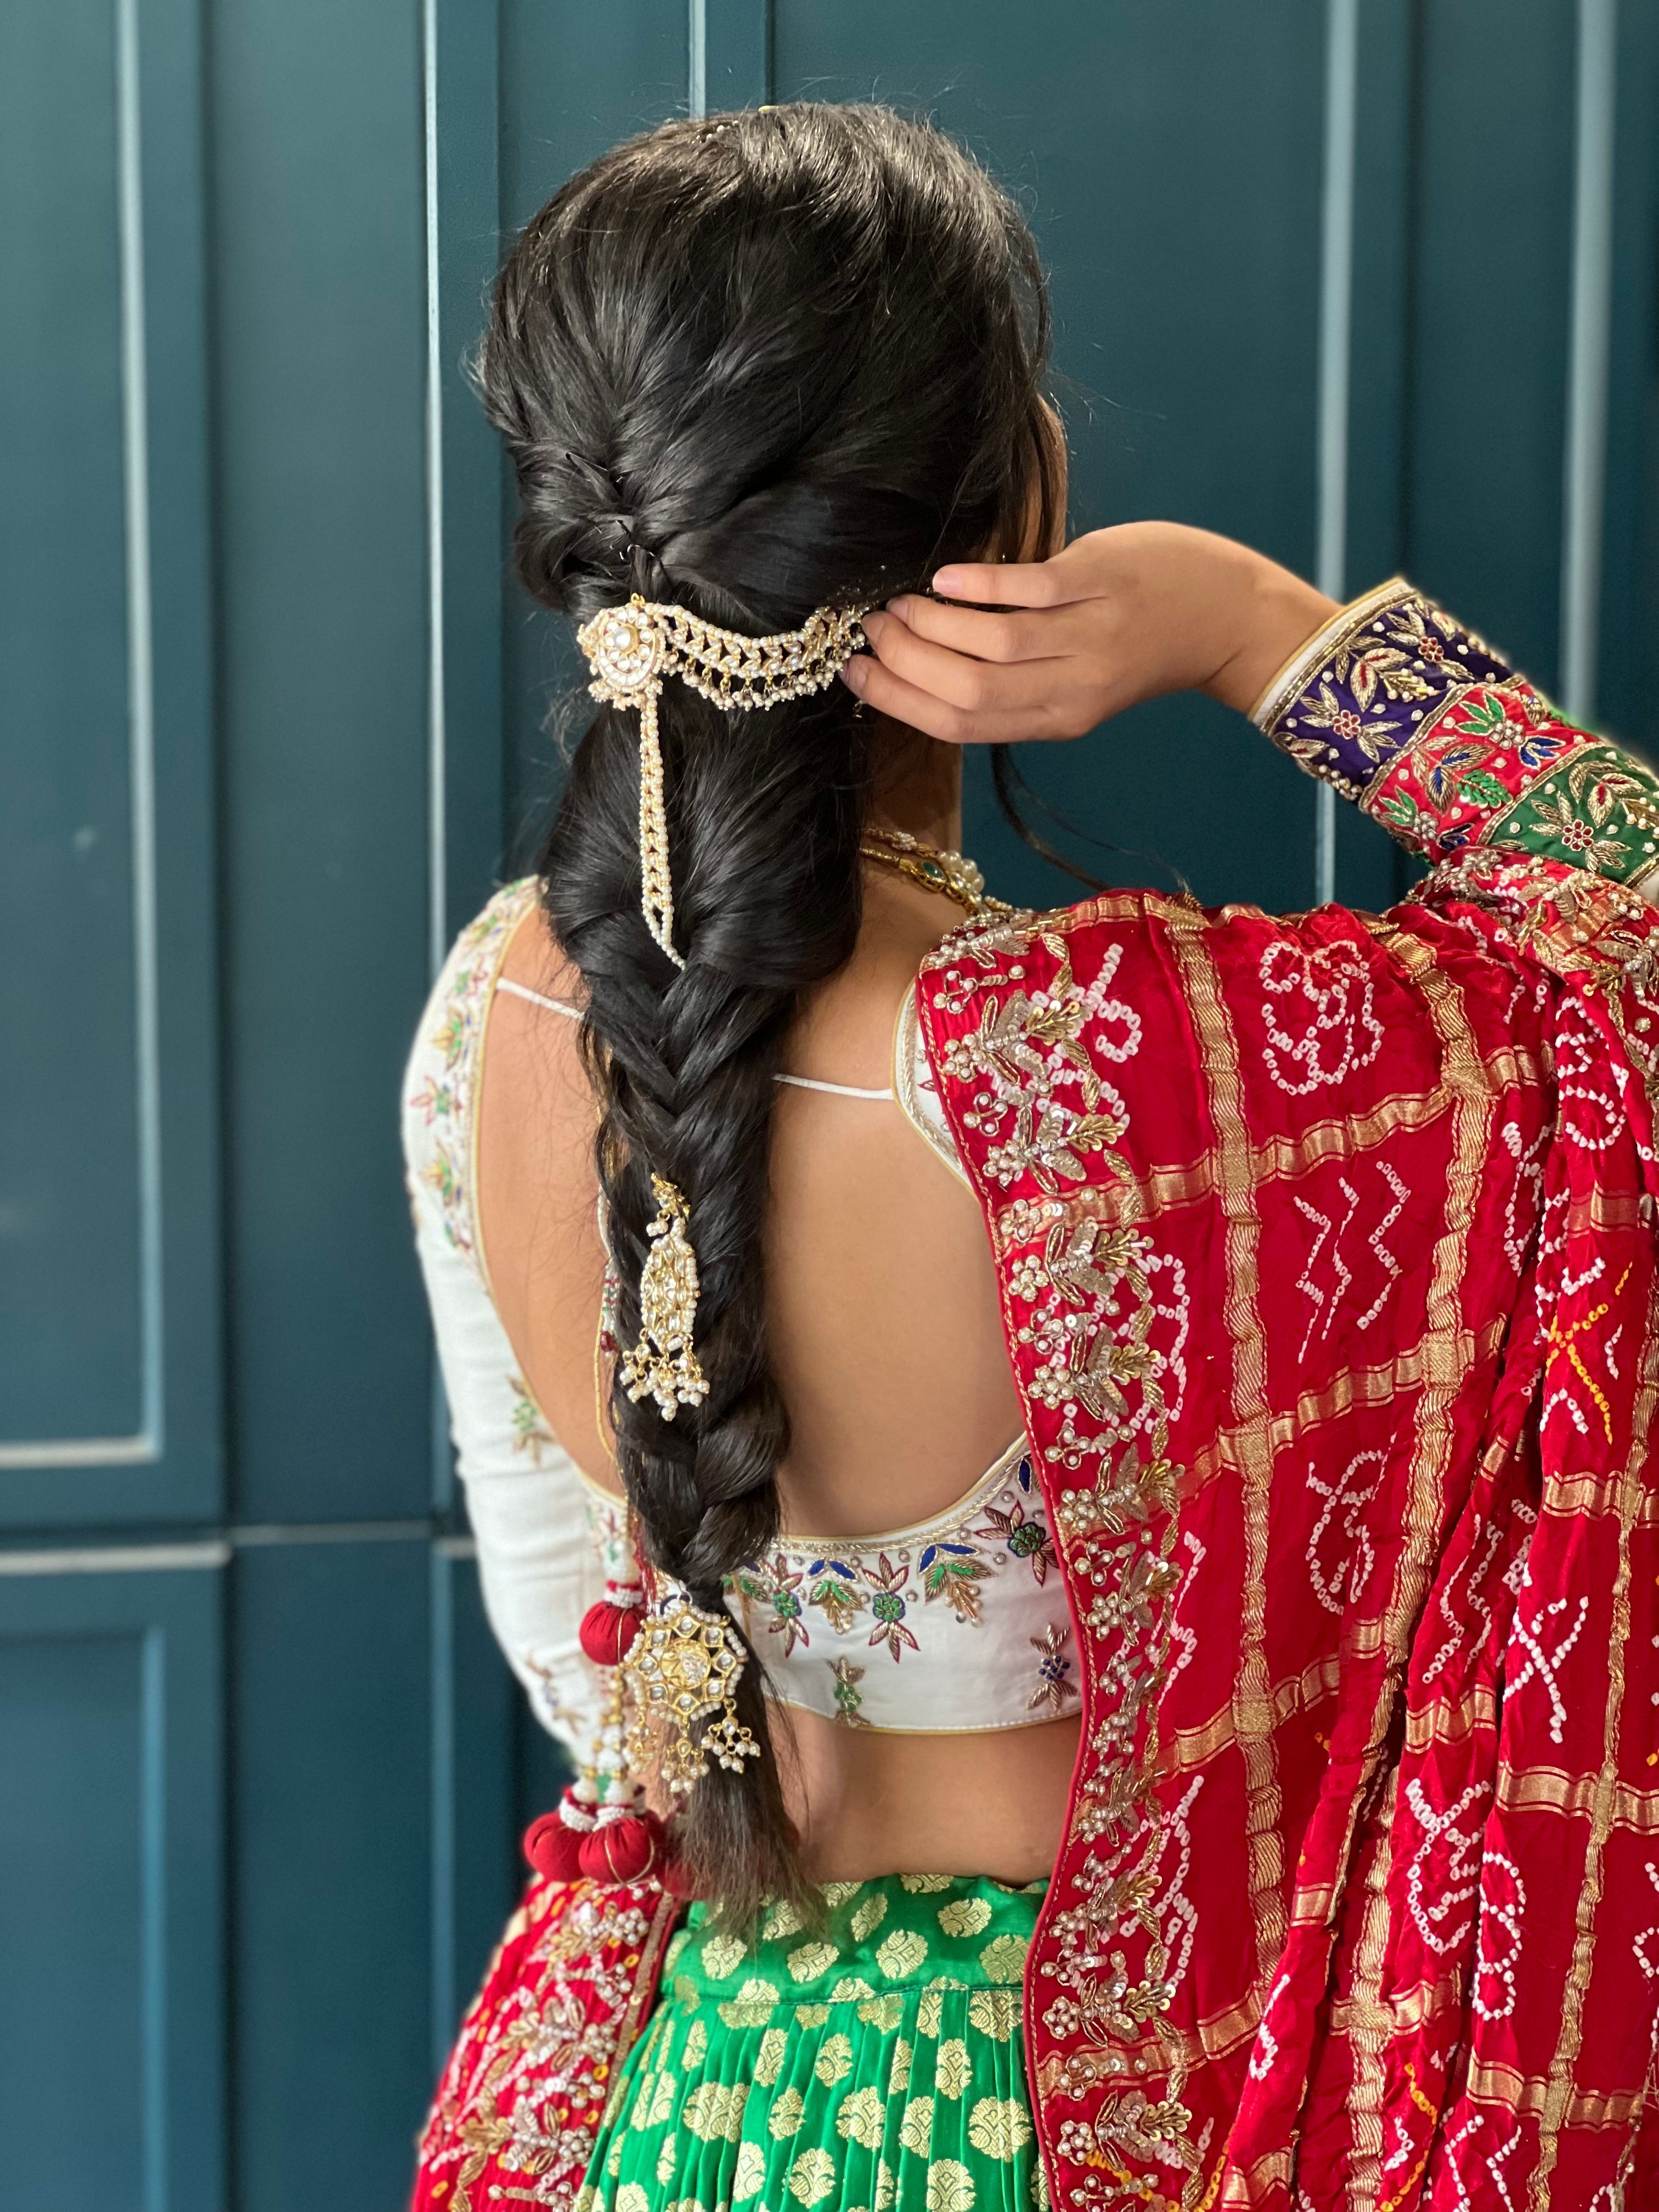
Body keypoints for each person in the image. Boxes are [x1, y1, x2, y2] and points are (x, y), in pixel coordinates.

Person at [403, 104, 1659, 2212]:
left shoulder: (503, 1002)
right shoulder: (1108, 1072)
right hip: (1066, 2108)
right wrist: (1254, 625)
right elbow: (1626, 929)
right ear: (1022, 500)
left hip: (685, 2083)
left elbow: (570, 1636)